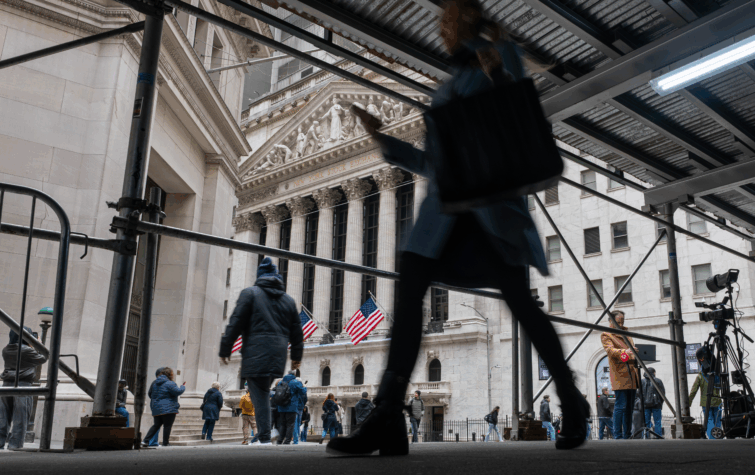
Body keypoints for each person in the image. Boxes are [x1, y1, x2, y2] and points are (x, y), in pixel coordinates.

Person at [330, 0, 589, 456]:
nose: (443, 25)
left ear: (467, 21)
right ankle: (388, 414)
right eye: (445, 19)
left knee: (522, 307)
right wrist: (383, 140)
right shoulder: (448, 86)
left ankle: (571, 399)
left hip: (491, 215)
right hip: (443, 217)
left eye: (451, 17)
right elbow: (434, 161)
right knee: (409, 293)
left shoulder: (495, 63)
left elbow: (518, 105)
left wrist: (499, 52)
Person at [219, 257, 304, 446]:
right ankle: (266, 432)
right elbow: (297, 332)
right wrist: (296, 357)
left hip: (255, 352)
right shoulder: (288, 300)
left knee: (260, 393)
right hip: (278, 355)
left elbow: (236, 321)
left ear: (260, 276)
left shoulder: (250, 293)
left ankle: (265, 435)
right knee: (262, 391)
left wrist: (226, 346)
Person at [0, 328, 48, 450]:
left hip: (6, 385)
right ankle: (15, 445)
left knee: (3, 416)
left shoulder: (6, 349)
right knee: (20, 417)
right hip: (23, 385)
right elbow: (44, 357)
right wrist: (38, 343)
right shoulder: (26, 350)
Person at [601, 310, 638, 439]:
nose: (621, 324)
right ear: (610, 322)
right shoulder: (607, 335)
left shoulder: (627, 334)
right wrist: (627, 352)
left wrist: (633, 353)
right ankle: (617, 435)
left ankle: (627, 434)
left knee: (630, 407)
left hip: (632, 374)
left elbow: (627, 353)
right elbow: (611, 352)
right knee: (621, 406)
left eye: (622, 321)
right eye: (618, 322)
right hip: (620, 374)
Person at [141, 367, 185, 447]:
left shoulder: (154, 383)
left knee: (156, 425)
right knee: (167, 426)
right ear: (170, 374)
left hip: (156, 408)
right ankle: (165, 443)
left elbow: (150, 394)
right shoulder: (170, 383)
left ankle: (145, 441)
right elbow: (178, 391)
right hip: (169, 408)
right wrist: (182, 387)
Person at [688, 370, 721, 439]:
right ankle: (718, 436)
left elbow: (693, 390)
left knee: (709, 420)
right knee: (717, 420)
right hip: (717, 401)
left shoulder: (700, 376)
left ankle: (712, 437)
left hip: (706, 403)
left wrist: (689, 402)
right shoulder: (717, 375)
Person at [276, 370, 306, 445]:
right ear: (294, 375)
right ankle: (287, 441)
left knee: (283, 424)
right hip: (291, 407)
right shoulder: (295, 382)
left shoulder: (281, 382)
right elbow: (303, 392)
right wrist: (304, 387)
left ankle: (279, 440)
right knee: (290, 424)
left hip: (281, 406)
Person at [641, 368, 665, 438]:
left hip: (645, 405)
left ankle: (646, 436)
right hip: (656, 404)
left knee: (646, 422)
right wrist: (660, 403)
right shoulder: (658, 381)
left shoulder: (642, 381)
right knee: (657, 421)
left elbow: (638, 394)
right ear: (654, 373)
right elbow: (662, 394)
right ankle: (658, 436)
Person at [292, 379, 308, 445]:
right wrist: (303, 405)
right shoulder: (303, 390)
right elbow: (306, 399)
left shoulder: (296, 389)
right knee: (298, 423)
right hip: (301, 408)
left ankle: (295, 439)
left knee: (295, 423)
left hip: (295, 407)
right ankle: (297, 438)